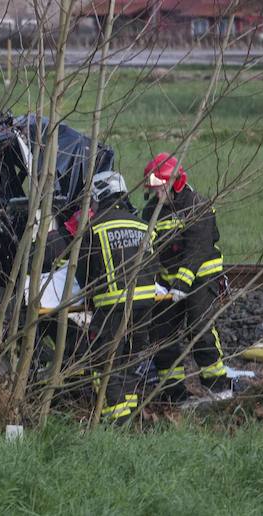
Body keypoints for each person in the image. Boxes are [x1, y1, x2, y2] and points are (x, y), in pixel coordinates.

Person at [142, 153, 228, 402]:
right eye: (154, 191)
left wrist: (181, 284)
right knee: (161, 335)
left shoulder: (197, 205)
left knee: (200, 328)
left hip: (201, 277)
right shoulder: (152, 211)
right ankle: (173, 392)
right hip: (169, 283)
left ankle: (217, 387)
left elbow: (196, 250)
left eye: (161, 190)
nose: (158, 196)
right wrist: (154, 281)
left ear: (175, 182)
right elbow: (149, 250)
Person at [72, 171, 157, 423]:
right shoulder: (141, 224)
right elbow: (155, 262)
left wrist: (89, 298)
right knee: (130, 360)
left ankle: (117, 422)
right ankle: (130, 415)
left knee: (105, 362)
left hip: (112, 307)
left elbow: (84, 273)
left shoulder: (95, 227)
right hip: (145, 304)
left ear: (99, 195)